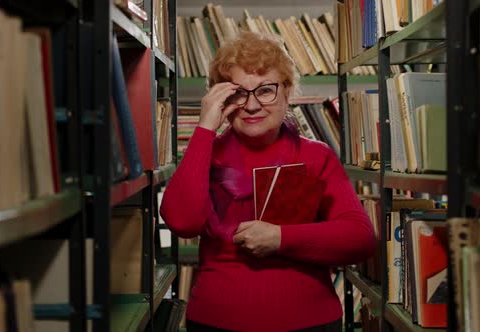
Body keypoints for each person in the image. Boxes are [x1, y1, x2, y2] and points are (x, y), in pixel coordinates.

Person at [160, 31, 375, 332]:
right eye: (238, 93)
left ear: (287, 92)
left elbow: (360, 238)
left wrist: (280, 238)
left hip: (310, 323)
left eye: (265, 91)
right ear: (220, 98)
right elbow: (183, 222)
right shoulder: (204, 154)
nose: (251, 105)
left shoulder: (317, 157)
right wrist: (205, 127)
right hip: (216, 323)